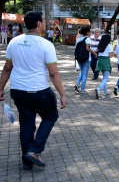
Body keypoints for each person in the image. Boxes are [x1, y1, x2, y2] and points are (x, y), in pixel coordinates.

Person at [0, 11, 67, 170]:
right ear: (38, 23)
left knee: (27, 123)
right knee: (51, 115)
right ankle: (35, 150)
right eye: (43, 21)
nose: (45, 24)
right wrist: (63, 94)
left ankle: (27, 160)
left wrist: (1, 88)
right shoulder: (46, 44)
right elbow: (53, 73)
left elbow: (7, 68)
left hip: (18, 91)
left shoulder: (14, 42)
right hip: (39, 91)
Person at [75, 26, 97, 93]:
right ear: (87, 32)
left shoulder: (79, 39)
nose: (90, 33)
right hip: (86, 59)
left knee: (82, 72)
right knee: (85, 74)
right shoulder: (87, 39)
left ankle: (77, 84)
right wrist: (93, 53)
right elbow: (87, 48)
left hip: (79, 58)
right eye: (90, 31)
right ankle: (82, 89)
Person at [94, 34, 113, 99]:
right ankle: (98, 89)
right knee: (106, 78)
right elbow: (110, 56)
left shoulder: (100, 44)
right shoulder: (109, 45)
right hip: (106, 61)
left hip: (100, 61)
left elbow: (97, 52)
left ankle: (105, 91)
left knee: (104, 77)